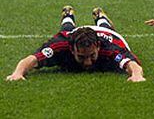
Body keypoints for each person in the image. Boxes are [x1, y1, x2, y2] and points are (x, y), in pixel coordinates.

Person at [6, 6, 145, 82]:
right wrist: (17, 73)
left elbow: (132, 65)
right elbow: (32, 59)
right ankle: (68, 14)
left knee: (106, 28)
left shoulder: (109, 49)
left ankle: (100, 17)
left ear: (97, 47)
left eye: (92, 56)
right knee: (66, 29)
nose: (88, 62)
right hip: (73, 33)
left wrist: (137, 76)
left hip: (107, 34)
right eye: (82, 57)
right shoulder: (61, 45)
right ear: (72, 50)